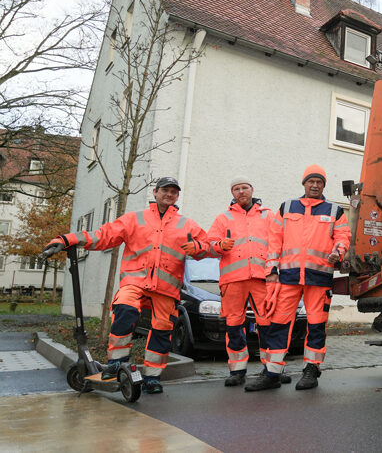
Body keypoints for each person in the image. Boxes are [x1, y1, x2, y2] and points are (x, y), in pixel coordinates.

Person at [46, 177, 210, 395]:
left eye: (173, 191)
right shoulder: (135, 219)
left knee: (162, 331)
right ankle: (116, 362)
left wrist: (198, 247)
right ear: (155, 192)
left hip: (166, 288)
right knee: (124, 308)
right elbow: (103, 236)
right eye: (165, 190)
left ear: (177, 196)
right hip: (136, 281)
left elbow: (207, 247)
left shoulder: (186, 224)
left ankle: (152, 378)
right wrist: (68, 239)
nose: (169, 194)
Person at [244, 164, 351, 392]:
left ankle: (311, 370)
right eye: (311, 181)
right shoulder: (287, 207)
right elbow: (274, 241)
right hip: (288, 277)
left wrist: (338, 251)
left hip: (319, 277)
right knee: (278, 323)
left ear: (324, 185)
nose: (315, 185)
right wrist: (271, 271)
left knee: (316, 325)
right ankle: (272, 372)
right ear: (304, 183)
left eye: (319, 182)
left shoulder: (334, 210)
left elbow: (343, 236)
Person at [205, 176, 290, 387]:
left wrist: (276, 271)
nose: (241, 192)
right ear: (232, 193)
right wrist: (219, 245)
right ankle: (237, 371)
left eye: (244, 188)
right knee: (234, 325)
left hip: (263, 279)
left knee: (267, 325)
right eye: (236, 189)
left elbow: (280, 242)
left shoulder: (268, 215)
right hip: (233, 280)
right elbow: (209, 244)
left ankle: (272, 370)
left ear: (252, 190)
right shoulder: (223, 218)